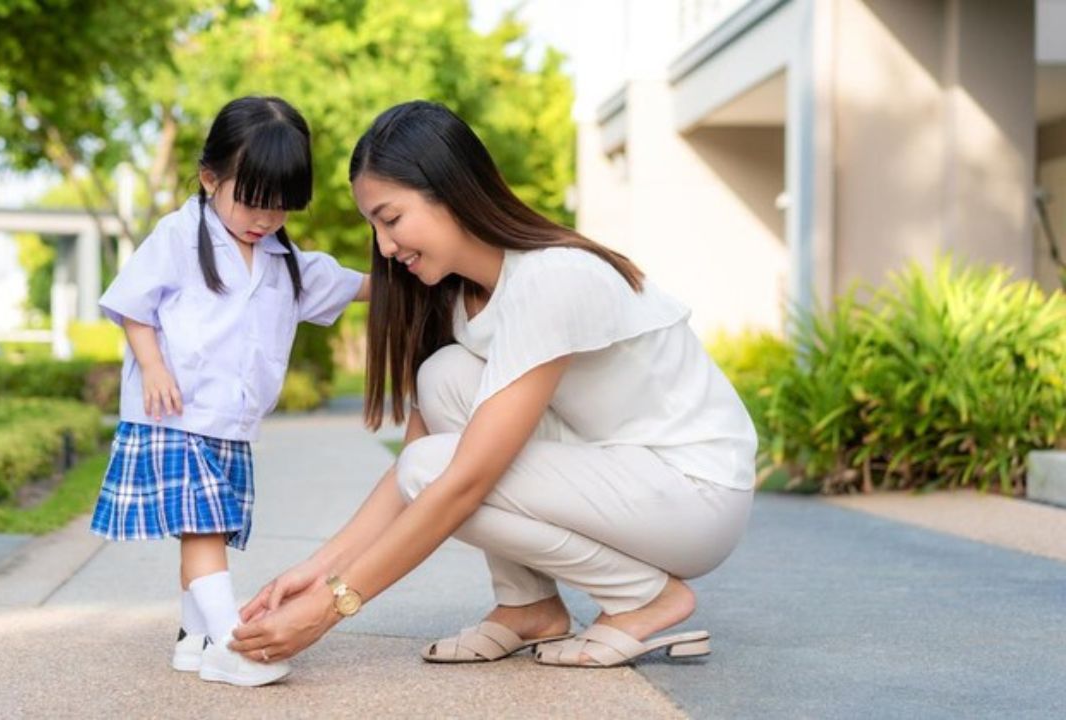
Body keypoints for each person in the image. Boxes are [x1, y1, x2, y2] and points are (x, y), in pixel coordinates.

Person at [231, 100, 756, 670]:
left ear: (450, 191)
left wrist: (331, 608)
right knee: (444, 379)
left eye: (391, 218)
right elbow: (409, 466)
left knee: (437, 470)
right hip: (621, 473)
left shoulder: (553, 278)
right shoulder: (460, 299)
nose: (383, 247)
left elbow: (459, 481)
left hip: (693, 493)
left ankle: (644, 598)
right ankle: (527, 605)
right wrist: (317, 571)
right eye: (374, 226)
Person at [89, 96, 369, 686]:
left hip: (230, 422)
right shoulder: (178, 235)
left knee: (206, 528)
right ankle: (229, 644)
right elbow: (132, 306)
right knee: (205, 528)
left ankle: (193, 639)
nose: (264, 219)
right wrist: (154, 367)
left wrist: (427, 271)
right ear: (209, 177)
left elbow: (350, 286)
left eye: (282, 207)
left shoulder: (282, 257)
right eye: (251, 201)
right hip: (174, 414)